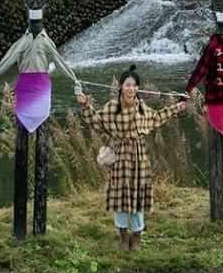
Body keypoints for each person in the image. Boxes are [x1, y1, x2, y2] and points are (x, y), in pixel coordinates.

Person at [77, 69, 190, 250]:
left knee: (138, 195)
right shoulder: (112, 107)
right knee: (120, 195)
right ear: (121, 87)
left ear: (137, 88)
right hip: (120, 156)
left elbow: (158, 117)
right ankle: (122, 235)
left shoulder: (142, 107)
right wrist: (84, 106)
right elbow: (96, 121)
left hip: (138, 156)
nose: (131, 89)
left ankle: (136, 235)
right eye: (127, 85)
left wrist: (179, 106)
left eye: (134, 85)